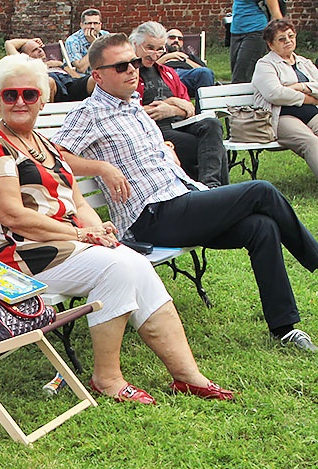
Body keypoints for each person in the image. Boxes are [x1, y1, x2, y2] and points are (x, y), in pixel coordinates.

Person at [0, 54, 231, 404]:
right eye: (9, 95)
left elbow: (79, 201)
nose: (19, 102)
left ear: (42, 101)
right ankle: (107, 378)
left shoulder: (44, 145)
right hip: (18, 256)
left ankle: (187, 375)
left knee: (129, 260)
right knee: (117, 267)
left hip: (63, 248)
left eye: (29, 95)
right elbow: (14, 217)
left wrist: (99, 230)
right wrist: (80, 235)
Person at [51, 33, 318, 352]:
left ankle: (284, 327)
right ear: (98, 75)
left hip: (181, 199)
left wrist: (164, 147)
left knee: (262, 227)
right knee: (260, 191)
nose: (132, 70)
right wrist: (101, 168)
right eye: (121, 66)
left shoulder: (133, 104)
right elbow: (54, 156)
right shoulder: (90, 112)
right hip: (150, 217)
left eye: (133, 63)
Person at [129, 21, 228, 188]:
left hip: (180, 123)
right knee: (212, 148)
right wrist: (173, 105)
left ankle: (210, 187)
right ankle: (214, 189)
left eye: (160, 49)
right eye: (150, 48)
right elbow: (129, 111)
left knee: (212, 124)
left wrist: (171, 106)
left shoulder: (167, 72)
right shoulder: (129, 73)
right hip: (154, 132)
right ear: (135, 44)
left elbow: (189, 109)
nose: (155, 54)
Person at [252, 19, 318, 179]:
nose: (288, 41)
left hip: (310, 114)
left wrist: (299, 86)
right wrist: (307, 99)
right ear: (271, 44)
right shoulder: (265, 65)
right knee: (310, 141)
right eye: (282, 39)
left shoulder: (304, 62)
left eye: (291, 36)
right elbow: (274, 94)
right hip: (280, 116)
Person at [5, 36, 95, 102]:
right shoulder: (27, 63)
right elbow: (9, 44)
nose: (40, 50)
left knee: (95, 80)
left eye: (40, 48)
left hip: (69, 84)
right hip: (55, 88)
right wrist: (31, 41)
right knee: (48, 82)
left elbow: (77, 77)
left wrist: (61, 65)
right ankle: (47, 121)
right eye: (34, 50)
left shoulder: (56, 63)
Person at [230, 0, 283, 84]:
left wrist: (282, 36)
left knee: (241, 78)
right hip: (236, 31)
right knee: (237, 74)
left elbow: (276, 13)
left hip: (255, 31)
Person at [159, 28, 216, 101]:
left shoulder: (189, 57)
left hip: (186, 76)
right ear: (165, 40)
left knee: (205, 73)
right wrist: (168, 56)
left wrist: (185, 59)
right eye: (172, 37)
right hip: (165, 76)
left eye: (180, 39)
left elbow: (205, 71)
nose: (176, 40)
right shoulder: (159, 54)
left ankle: (203, 111)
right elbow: (150, 67)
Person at [64, 8, 109, 75]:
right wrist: (95, 45)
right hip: (85, 78)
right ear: (81, 25)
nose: (92, 27)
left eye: (96, 23)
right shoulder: (72, 41)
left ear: (100, 25)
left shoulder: (106, 36)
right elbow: (81, 68)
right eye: (89, 23)